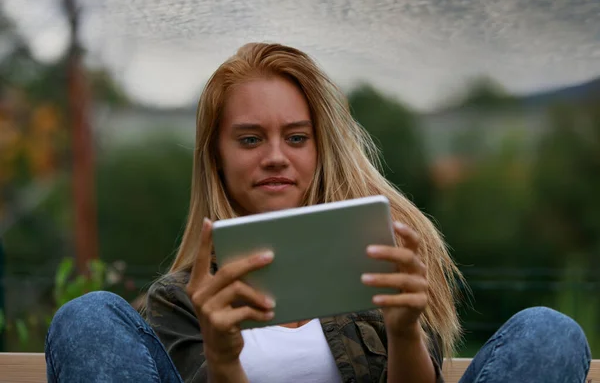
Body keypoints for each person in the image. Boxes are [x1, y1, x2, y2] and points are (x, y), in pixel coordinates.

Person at [44, 43, 591, 383]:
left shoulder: (375, 263)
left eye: (297, 137)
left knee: (549, 333)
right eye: (250, 138)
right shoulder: (183, 302)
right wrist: (225, 356)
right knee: (87, 317)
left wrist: (403, 334)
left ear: (319, 148)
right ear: (217, 156)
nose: (276, 156)